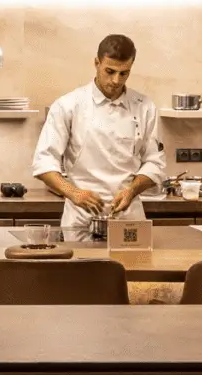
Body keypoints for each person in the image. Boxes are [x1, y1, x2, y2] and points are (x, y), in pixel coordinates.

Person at [31, 34, 166, 241]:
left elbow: (154, 163)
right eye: (110, 71)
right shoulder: (69, 105)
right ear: (96, 63)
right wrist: (74, 193)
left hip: (128, 217)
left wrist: (131, 191)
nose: (116, 80)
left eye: (124, 73)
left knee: (133, 272)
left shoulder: (144, 107)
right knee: (83, 272)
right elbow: (43, 162)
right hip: (81, 219)